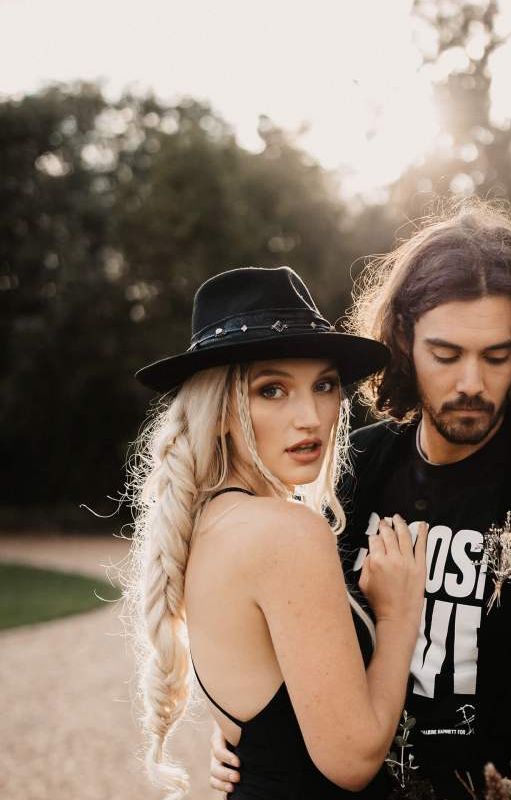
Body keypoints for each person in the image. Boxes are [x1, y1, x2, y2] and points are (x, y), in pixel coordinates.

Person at [211, 201, 511, 799]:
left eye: (496, 356)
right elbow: (298, 650)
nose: (472, 383)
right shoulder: (347, 472)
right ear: (404, 339)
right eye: (446, 355)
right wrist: (250, 737)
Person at [125, 265, 429, 800]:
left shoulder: (209, 522)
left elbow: (264, 709)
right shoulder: (287, 531)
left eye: (325, 385)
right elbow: (352, 760)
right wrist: (398, 616)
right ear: (220, 410)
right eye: (272, 390)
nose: (311, 416)